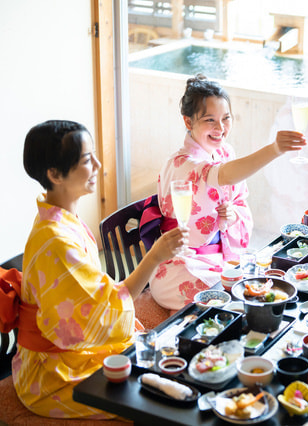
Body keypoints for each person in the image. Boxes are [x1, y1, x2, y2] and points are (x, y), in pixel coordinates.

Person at [11, 120, 188, 419]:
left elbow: (98, 298)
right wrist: (154, 257)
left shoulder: (61, 220)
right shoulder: (55, 240)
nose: (97, 165)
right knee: (149, 398)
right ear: (54, 174)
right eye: (86, 159)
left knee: (167, 360)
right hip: (51, 374)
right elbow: (104, 310)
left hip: (72, 349)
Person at [147, 74, 306, 311]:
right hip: (179, 264)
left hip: (216, 257)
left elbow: (238, 199)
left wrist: (231, 215)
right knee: (230, 297)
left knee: (252, 284)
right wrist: (274, 149)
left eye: (226, 118)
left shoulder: (224, 152)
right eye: (210, 120)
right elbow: (224, 175)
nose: (220, 128)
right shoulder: (183, 163)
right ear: (188, 122)